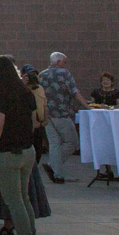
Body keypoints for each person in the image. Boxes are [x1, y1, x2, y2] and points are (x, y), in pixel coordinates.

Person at [0, 54, 40, 235]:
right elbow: (34, 121)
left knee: (14, 201)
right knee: (24, 199)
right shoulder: (26, 92)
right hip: (27, 151)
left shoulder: (0, 94)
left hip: (8, 153)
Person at [38, 53, 85, 183]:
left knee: (54, 144)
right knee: (72, 143)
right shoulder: (64, 73)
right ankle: (53, 166)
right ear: (59, 62)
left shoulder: (42, 74)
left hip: (47, 114)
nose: (65, 64)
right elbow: (75, 92)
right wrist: (87, 105)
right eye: (64, 62)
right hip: (62, 114)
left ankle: (56, 172)